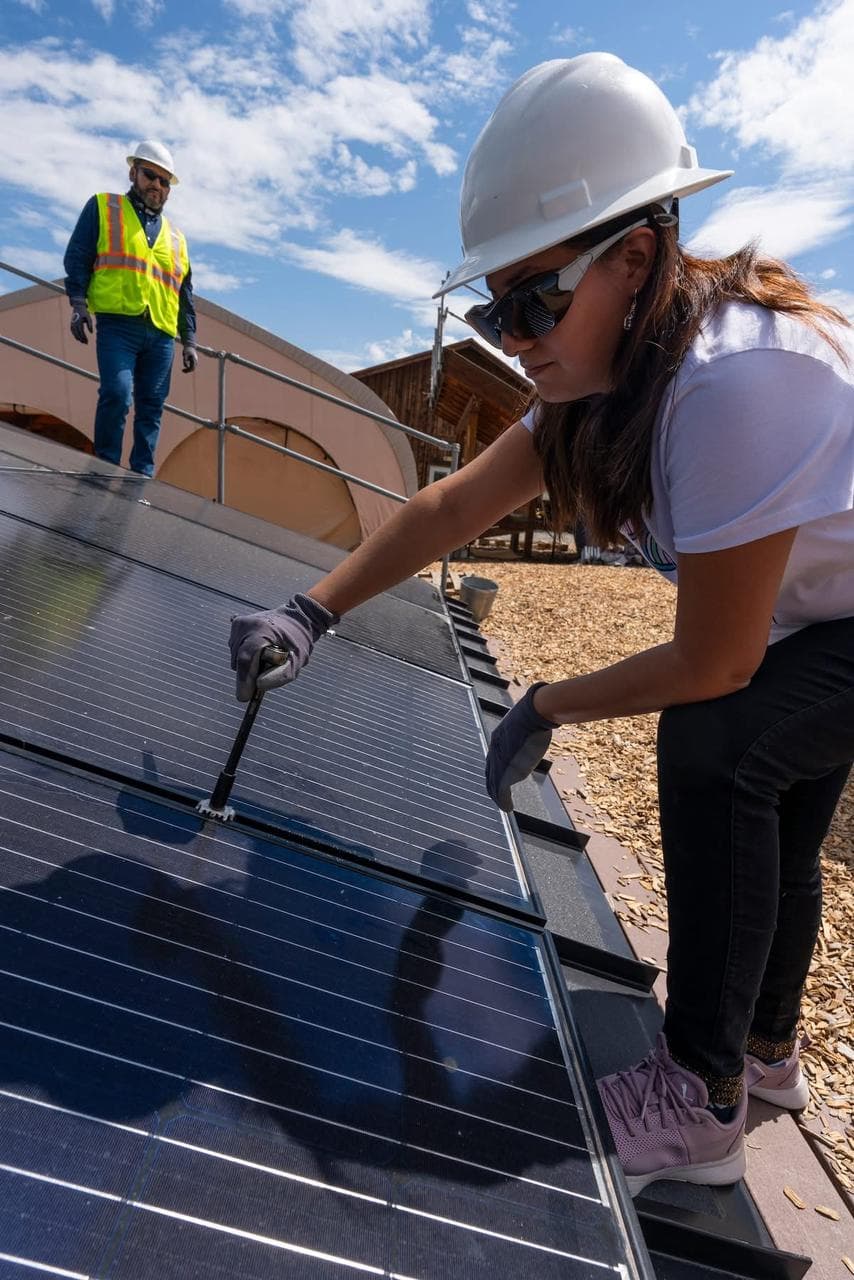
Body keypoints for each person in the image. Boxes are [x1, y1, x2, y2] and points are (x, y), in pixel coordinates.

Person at [227, 53, 854, 1196]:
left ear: (634, 254)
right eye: (493, 304)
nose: (513, 334)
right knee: (777, 794)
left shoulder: (730, 378)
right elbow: (452, 504)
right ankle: (763, 1059)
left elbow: (715, 660)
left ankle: (701, 1095)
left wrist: (549, 698)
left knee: (716, 745)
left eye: (534, 299)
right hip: (827, 610)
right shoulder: (599, 380)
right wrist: (310, 608)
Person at [63, 140, 197, 478]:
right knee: (117, 394)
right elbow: (78, 256)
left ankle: (141, 480)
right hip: (118, 326)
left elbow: (185, 292)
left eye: (165, 182)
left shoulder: (176, 238)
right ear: (133, 172)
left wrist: (190, 340)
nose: (157, 185)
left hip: (162, 335)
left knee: (151, 409)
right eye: (151, 175)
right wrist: (78, 304)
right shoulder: (103, 207)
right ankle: (103, 470)